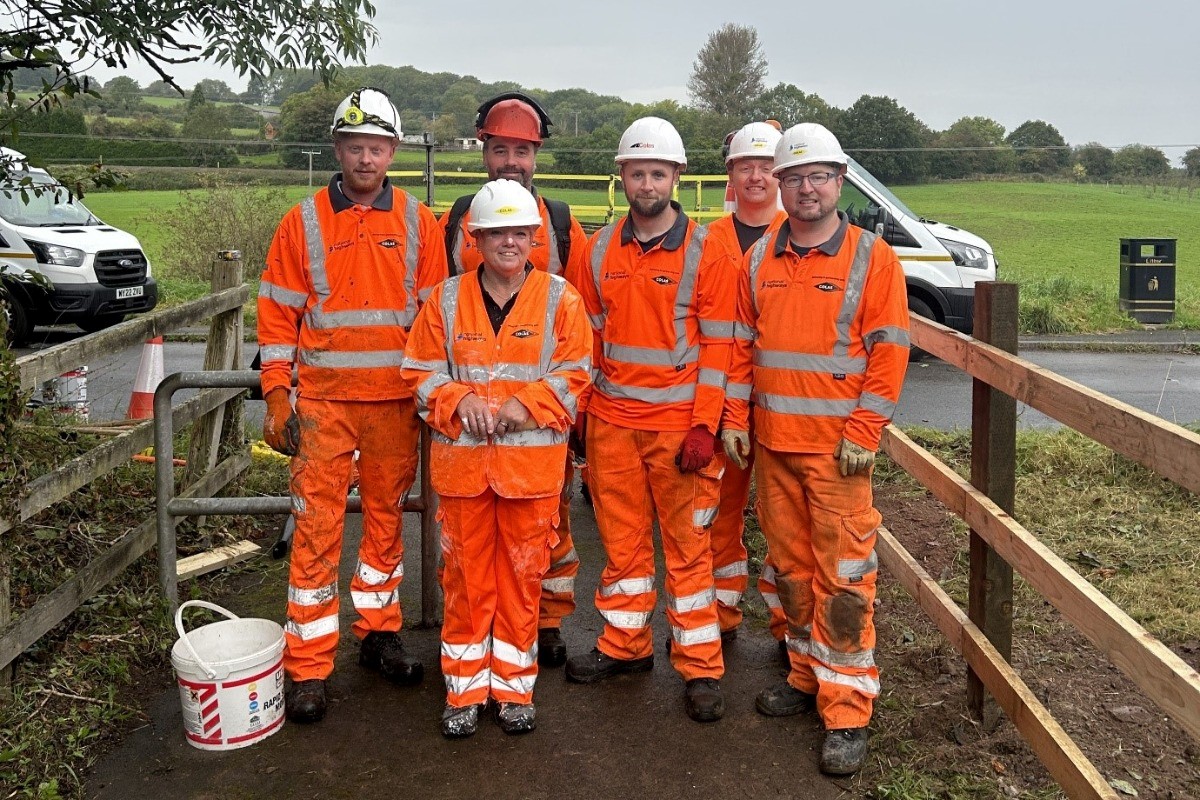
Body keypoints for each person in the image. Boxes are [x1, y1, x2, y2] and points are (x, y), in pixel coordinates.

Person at [722, 123, 910, 775]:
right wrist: (735, 416)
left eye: (818, 176)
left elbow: (889, 351)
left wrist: (864, 431)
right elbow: (742, 348)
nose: (806, 188)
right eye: (794, 178)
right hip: (773, 447)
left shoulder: (872, 258)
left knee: (846, 581)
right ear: (777, 186)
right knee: (790, 572)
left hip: (837, 457)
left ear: (839, 182)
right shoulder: (758, 260)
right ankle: (806, 677)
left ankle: (848, 709)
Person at [257, 87, 448, 724]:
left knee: (387, 518)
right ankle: (307, 664)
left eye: (376, 147)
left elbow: (433, 319)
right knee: (316, 526)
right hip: (323, 406)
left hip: (395, 403)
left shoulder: (422, 224)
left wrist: (428, 393)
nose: (365, 158)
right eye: (354, 146)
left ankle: (378, 633)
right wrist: (277, 394)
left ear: (391, 151)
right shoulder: (302, 222)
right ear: (337, 149)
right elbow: (278, 317)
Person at [402, 179, 592, 738]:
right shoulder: (444, 298)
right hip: (463, 474)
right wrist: (458, 400)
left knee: (521, 579)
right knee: (463, 578)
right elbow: (418, 372)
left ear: (534, 238)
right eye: (496, 233)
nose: (509, 242)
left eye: (519, 233)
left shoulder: (561, 298)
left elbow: (576, 372)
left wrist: (521, 405)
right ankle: (462, 691)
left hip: (530, 477)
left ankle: (512, 687)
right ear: (475, 238)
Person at [564, 116, 736, 723]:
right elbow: (582, 335)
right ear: (622, 177)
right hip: (611, 422)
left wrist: (705, 425)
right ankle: (625, 644)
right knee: (624, 544)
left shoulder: (707, 250)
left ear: (676, 178)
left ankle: (701, 667)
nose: (646, 183)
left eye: (657, 172)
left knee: (689, 549)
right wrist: (581, 412)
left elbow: (722, 344)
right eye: (637, 172)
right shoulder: (599, 247)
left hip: (677, 430)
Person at [438, 91, 590, 668]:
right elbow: (439, 307)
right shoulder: (459, 219)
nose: (511, 161)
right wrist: (450, 400)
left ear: (536, 155)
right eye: (500, 148)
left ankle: (543, 622)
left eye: (521, 150)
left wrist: (567, 407)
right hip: (470, 421)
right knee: (466, 540)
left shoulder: (559, 222)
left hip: (540, 419)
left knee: (551, 523)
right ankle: (478, 633)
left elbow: (581, 318)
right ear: (484, 152)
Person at [705, 121, 787, 646]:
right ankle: (718, 616)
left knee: (784, 524)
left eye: (764, 166)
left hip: (784, 406)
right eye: (744, 166)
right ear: (730, 174)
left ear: (779, 173)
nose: (755, 176)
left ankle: (790, 631)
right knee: (719, 515)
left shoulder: (799, 234)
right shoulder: (706, 239)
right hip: (721, 405)